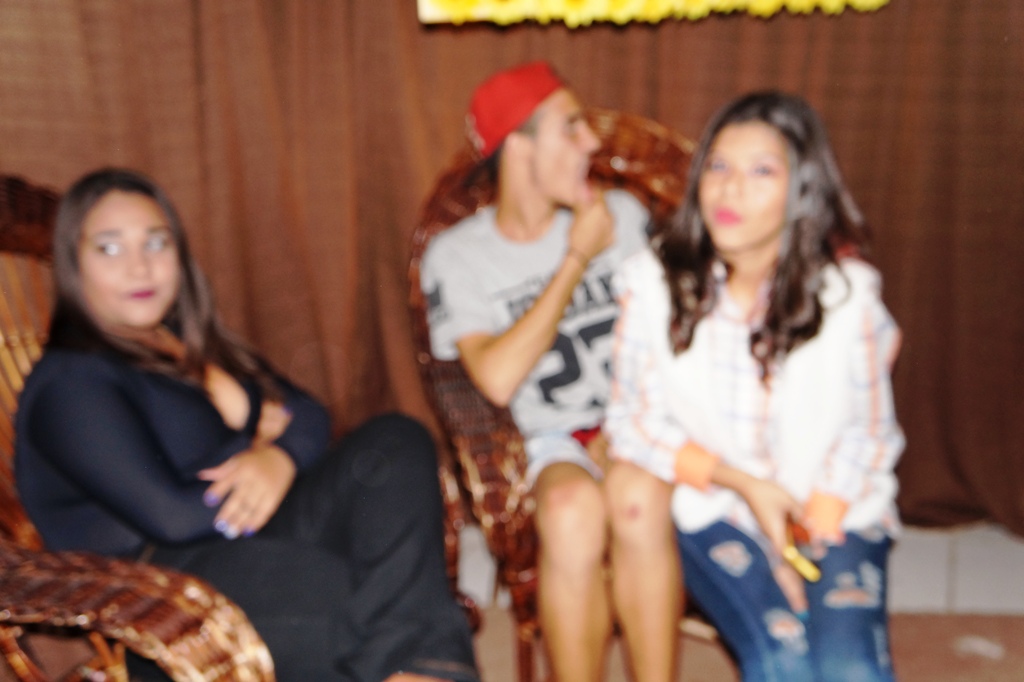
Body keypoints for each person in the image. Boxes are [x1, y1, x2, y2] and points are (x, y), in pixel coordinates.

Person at [14, 168, 480, 682]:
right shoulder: (70, 382)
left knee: (395, 441)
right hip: (156, 595)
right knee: (367, 598)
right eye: (109, 248)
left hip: (242, 534)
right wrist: (256, 441)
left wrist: (277, 456)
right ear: (73, 264)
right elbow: (172, 516)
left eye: (156, 242)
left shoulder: (182, 342)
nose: (140, 266)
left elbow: (308, 414)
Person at [605, 91, 905, 681]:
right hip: (715, 508)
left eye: (761, 171)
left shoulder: (849, 300)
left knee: (851, 670)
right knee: (782, 661)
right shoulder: (653, 285)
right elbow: (630, 423)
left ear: (802, 191)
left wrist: (797, 541)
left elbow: (868, 436)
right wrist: (743, 485)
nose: (729, 189)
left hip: (834, 508)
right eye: (718, 166)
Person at [420, 61, 681, 682]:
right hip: (548, 438)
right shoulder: (458, 256)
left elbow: (670, 340)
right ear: (519, 146)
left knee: (637, 501)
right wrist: (575, 260)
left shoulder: (622, 215)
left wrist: (639, 423)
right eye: (571, 127)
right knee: (568, 509)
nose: (592, 142)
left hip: (640, 420)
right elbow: (497, 379)